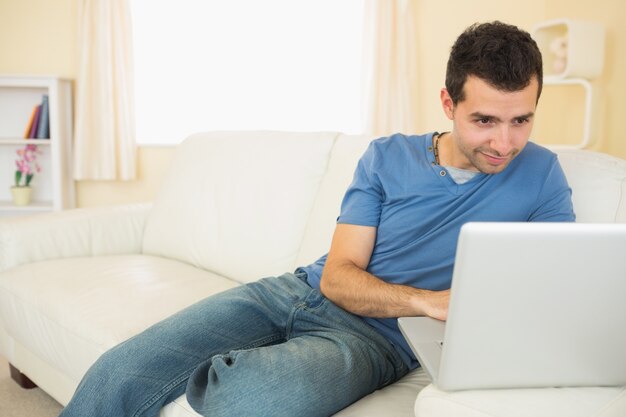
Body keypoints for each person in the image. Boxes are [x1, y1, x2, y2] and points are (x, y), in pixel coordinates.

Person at [59, 21, 574, 417]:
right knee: (121, 370)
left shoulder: (543, 176)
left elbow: (551, 290)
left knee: (248, 396)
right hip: (293, 292)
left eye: (520, 120)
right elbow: (337, 276)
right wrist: (427, 301)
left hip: (378, 341)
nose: (504, 143)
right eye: (484, 120)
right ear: (448, 103)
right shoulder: (386, 156)